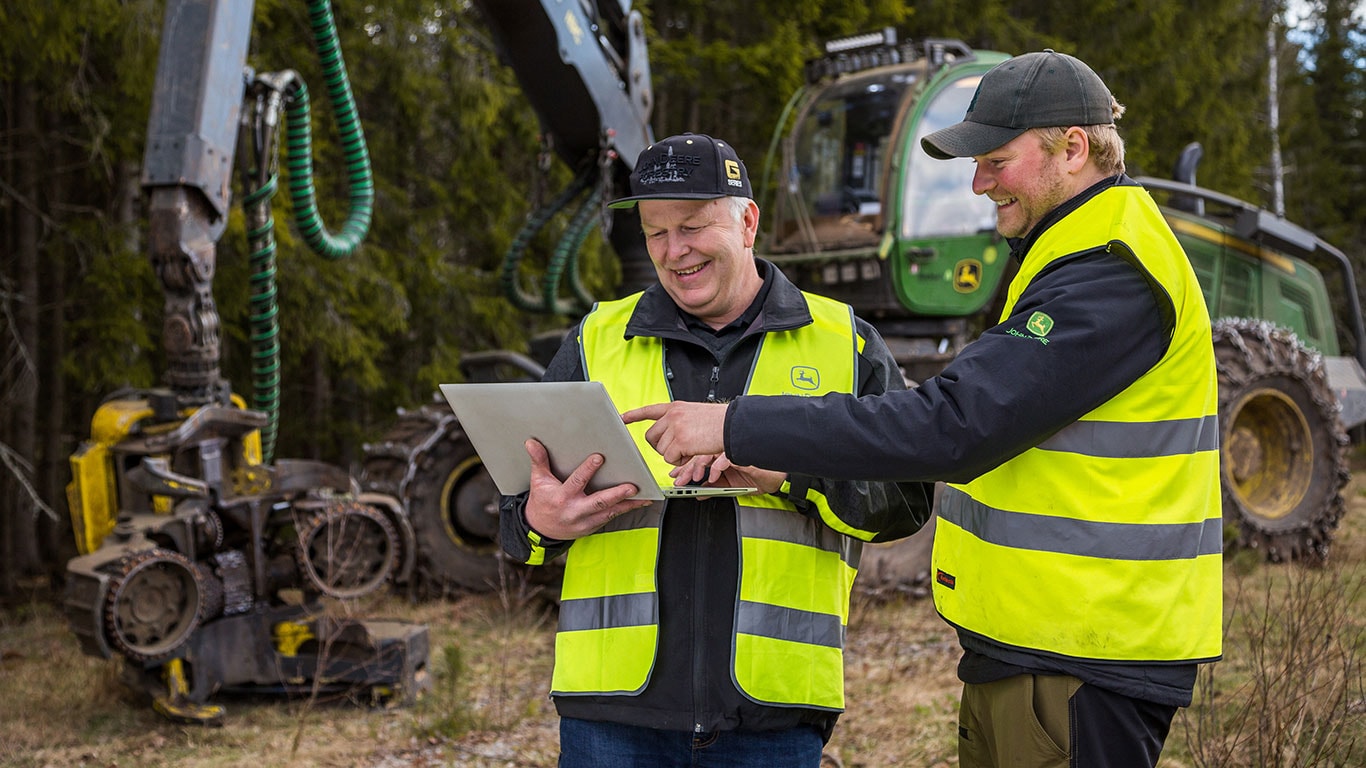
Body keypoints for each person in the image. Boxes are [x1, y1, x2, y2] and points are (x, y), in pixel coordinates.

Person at [623, 53, 1223, 768]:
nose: (978, 183)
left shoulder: (1110, 273)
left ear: (1074, 146)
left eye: (997, 160)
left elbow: (953, 425)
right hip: (1043, 648)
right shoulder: (1066, 254)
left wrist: (733, 421)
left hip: (1088, 655)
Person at [498, 132, 934, 767]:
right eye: (655, 233)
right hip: (611, 712)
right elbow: (516, 514)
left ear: (748, 221)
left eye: (694, 226)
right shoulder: (596, 342)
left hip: (773, 711)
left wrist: (786, 473)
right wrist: (541, 521)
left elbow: (904, 503)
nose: (675, 252)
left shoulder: (845, 344)